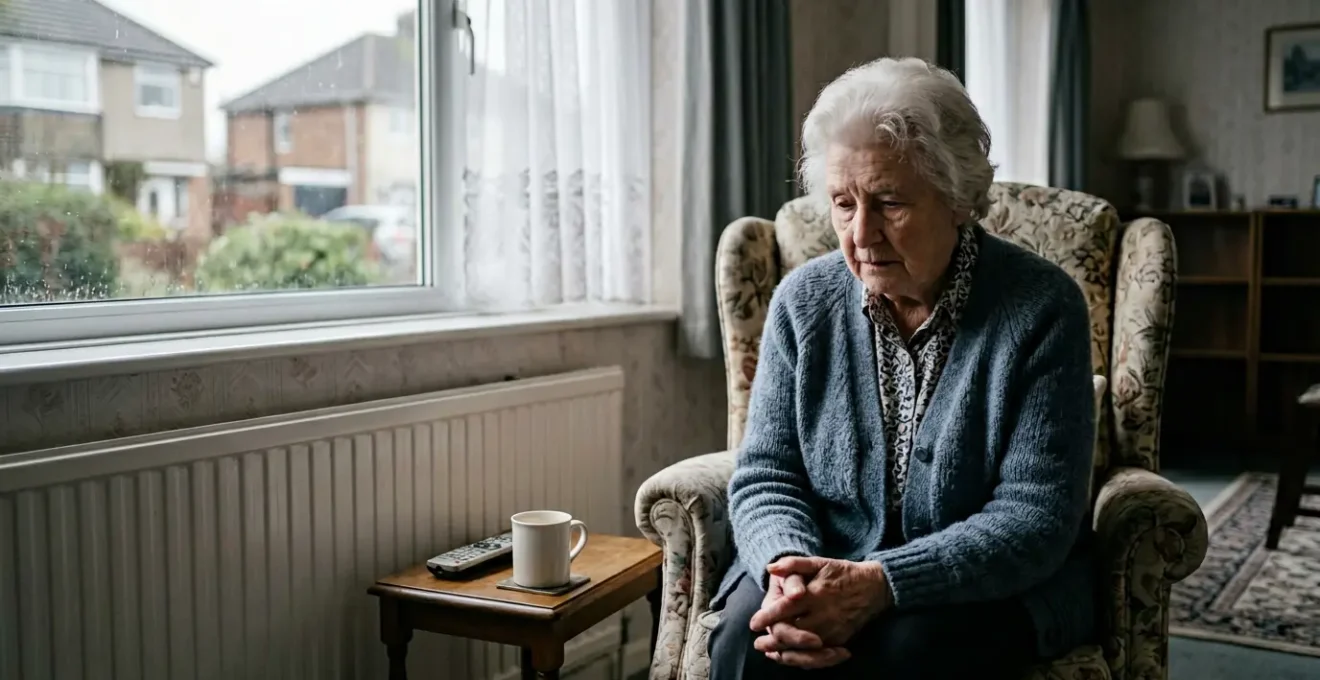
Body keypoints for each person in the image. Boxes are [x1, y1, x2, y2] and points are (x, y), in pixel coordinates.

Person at [709, 57, 1097, 679]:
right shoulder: (802, 304)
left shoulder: (1042, 308)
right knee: (751, 641)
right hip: (820, 556)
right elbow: (768, 474)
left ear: (958, 200)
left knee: (905, 651)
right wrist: (789, 573)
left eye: (889, 203)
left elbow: (1035, 514)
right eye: (843, 203)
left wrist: (881, 582)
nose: (861, 234)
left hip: (979, 582)